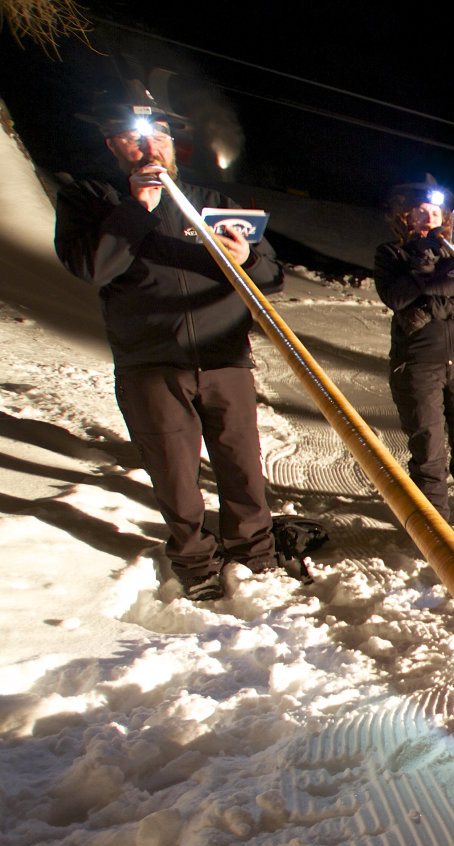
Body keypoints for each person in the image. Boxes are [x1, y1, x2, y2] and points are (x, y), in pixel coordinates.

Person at [54, 87, 281, 601]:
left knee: (242, 466)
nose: (150, 148)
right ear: (113, 145)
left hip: (225, 358)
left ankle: (254, 554)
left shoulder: (214, 202)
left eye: (160, 136)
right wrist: (138, 208)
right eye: (134, 139)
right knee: (174, 473)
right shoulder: (92, 200)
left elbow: (271, 275)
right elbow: (91, 267)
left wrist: (246, 259)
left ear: (174, 143)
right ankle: (194, 560)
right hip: (151, 362)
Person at [374, 178, 454, 533]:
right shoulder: (392, 254)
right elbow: (396, 298)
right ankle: (434, 525)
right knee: (428, 448)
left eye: (435, 212)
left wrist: (432, 306)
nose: (429, 218)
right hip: (417, 363)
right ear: (406, 216)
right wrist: (426, 268)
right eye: (421, 211)